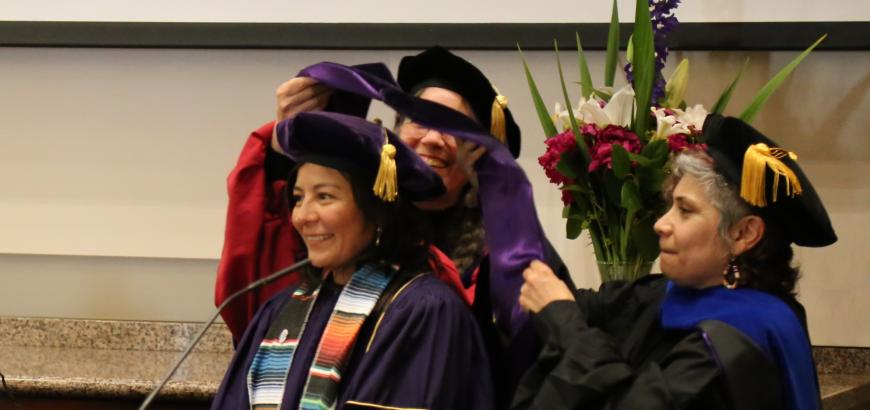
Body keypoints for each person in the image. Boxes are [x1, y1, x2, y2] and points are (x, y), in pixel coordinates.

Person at [215, 48, 574, 407]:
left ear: (478, 154)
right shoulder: (342, 244)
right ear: (394, 138)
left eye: (452, 127)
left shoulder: (500, 256)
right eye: (421, 121)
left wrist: (498, 197)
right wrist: (288, 142)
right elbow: (266, 269)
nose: (433, 138)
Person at [513, 114, 836, 410]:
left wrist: (562, 323)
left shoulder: (733, 342)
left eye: (685, 210)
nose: (660, 224)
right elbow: (582, 302)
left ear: (743, 233)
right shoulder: (674, 294)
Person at [211, 111, 493, 410]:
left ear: (379, 211)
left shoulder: (423, 312)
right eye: (298, 198)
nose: (303, 216)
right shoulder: (280, 309)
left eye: (324, 197)